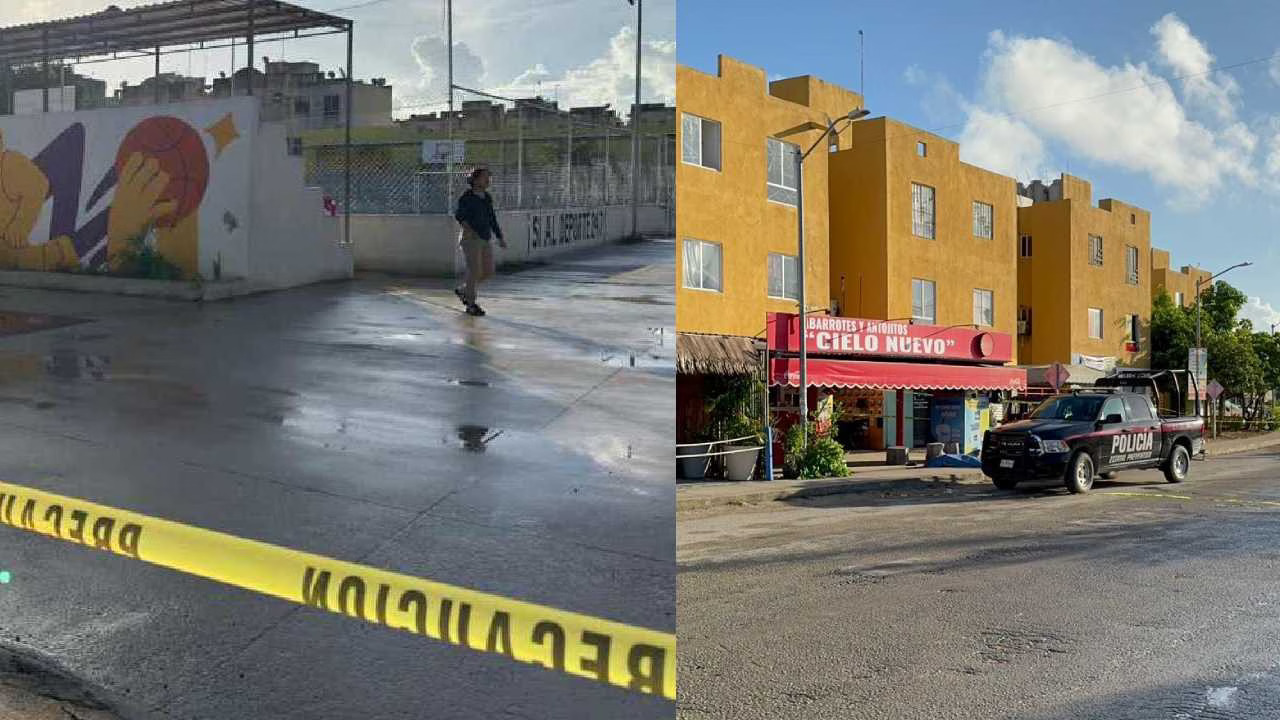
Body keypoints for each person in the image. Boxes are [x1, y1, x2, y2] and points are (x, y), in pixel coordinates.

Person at [453, 167, 506, 316]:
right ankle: (471, 304)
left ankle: (464, 290)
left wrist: (500, 237)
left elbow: (492, 218)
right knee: (474, 270)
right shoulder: (467, 197)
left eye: (489, 177)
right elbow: (460, 216)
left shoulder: (486, 197)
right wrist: (469, 230)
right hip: (470, 238)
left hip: (484, 237)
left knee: (488, 271)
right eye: (484, 177)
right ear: (475, 180)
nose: (488, 180)